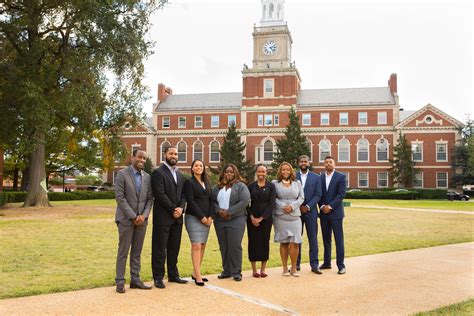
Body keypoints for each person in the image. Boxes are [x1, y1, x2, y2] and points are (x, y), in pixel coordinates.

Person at [114, 149, 154, 293]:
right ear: (133, 158)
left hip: (142, 221)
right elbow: (120, 197)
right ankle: (120, 281)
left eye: (144, 158)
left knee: (137, 252)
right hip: (125, 219)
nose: (142, 160)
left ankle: (135, 280)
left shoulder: (148, 177)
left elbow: (150, 199)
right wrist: (133, 216)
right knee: (123, 251)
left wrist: (143, 216)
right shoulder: (122, 174)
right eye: (139, 157)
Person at [151, 146, 188, 289]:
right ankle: (158, 277)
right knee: (160, 248)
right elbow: (159, 194)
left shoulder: (180, 174)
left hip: (177, 218)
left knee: (174, 247)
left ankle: (173, 275)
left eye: (176, 154)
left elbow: (183, 195)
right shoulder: (158, 173)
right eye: (171, 153)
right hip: (163, 217)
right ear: (165, 154)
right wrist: (173, 209)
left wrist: (181, 208)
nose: (174, 156)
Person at [211, 164, 251, 281]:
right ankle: (226, 270)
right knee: (224, 246)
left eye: (231, 172)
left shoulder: (241, 186)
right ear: (223, 173)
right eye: (227, 172)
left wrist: (229, 212)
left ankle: (236, 272)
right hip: (220, 221)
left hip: (236, 219)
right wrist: (219, 211)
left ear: (235, 173)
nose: (229, 174)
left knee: (234, 245)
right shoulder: (217, 187)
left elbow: (245, 201)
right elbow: (212, 201)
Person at [183, 159, 214, 286]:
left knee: (202, 245)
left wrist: (211, 216)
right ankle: (198, 276)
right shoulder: (189, 182)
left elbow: (212, 200)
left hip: (207, 219)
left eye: (201, 165)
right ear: (192, 168)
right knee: (196, 245)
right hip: (193, 218)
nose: (199, 167)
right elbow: (190, 201)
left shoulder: (206, 182)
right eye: (196, 165)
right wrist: (201, 217)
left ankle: (196, 273)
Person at [272, 162, 305, 277]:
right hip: (280, 217)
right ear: (280, 172)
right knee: (284, 243)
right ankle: (285, 268)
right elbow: (273, 198)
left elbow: (301, 197)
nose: (285, 171)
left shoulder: (297, 183)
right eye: (283, 170)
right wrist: (283, 206)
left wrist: (292, 206)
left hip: (294, 216)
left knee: (295, 243)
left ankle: (294, 268)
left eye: (287, 169)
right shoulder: (275, 184)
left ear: (291, 171)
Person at [318, 156, 347, 274]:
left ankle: (341, 265)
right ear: (324, 165)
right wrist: (322, 206)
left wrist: (329, 207)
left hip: (336, 213)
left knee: (338, 239)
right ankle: (327, 263)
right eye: (326, 162)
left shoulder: (341, 177)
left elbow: (341, 195)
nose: (328, 164)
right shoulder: (319, 178)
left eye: (330, 162)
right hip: (323, 214)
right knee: (326, 239)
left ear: (334, 164)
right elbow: (318, 194)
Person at [247, 164, 276, 278]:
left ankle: (263, 269)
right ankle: (254, 270)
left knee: (264, 242)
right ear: (256, 172)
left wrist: (262, 218)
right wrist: (252, 217)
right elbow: (247, 203)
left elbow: (272, 203)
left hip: (266, 219)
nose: (261, 174)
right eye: (259, 171)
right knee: (253, 242)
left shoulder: (271, 186)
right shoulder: (250, 186)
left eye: (263, 172)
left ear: (266, 173)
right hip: (252, 219)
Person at [296, 155, 322, 274]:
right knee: (297, 239)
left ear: (309, 163)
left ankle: (314, 265)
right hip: (296, 212)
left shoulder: (316, 177)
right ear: (298, 163)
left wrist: (307, 206)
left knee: (313, 239)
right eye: (301, 161)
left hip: (311, 212)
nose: (303, 163)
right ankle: (296, 264)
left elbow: (318, 194)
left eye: (305, 161)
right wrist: (299, 206)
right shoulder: (293, 176)